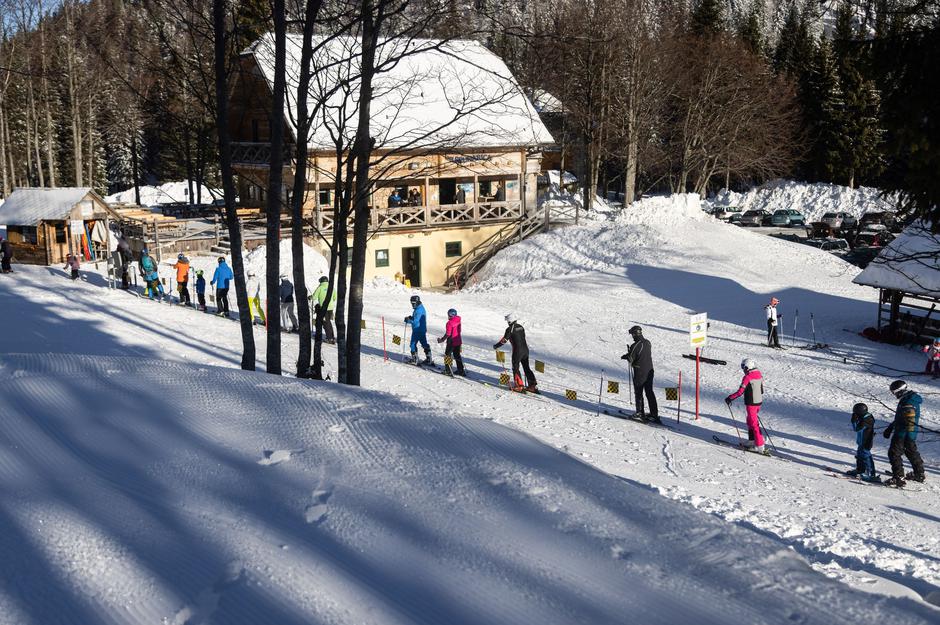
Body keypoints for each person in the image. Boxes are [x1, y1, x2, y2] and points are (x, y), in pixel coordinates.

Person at [884, 380, 926, 487]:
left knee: (894, 453)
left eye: (894, 392)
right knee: (911, 452)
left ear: (900, 391)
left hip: (903, 433)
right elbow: (900, 417)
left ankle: (898, 477)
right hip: (908, 432)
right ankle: (919, 474)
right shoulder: (908, 399)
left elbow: (909, 421)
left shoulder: (908, 402)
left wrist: (906, 435)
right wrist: (890, 427)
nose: (894, 395)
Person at [725, 358, 766, 453]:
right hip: (758, 403)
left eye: (743, 367)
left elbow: (740, 392)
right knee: (750, 421)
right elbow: (761, 390)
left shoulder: (748, 377)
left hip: (751, 403)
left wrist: (730, 398)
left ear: (748, 367)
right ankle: (752, 441)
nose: (743, 369)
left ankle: (759, 446)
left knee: (754, 424)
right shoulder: (759, 374)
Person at [620, 325, 659, 422]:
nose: (632, 336)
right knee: (649, 392)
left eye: (632, 334)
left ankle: (639, 412)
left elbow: (631, 358)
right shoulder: (648, 342)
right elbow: (642, 355)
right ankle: (654, 414)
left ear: (634, 334)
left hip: (640, 372)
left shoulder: (635, 345)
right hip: (650, 371)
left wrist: (626, 356)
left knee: (638, 392)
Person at [494, 313, 538, 392]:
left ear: (510, 321)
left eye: (507, 321)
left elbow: (504, 340)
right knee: (526, 367)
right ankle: (532, 385)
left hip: (517, 351)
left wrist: (497, 346)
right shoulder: (521, 327)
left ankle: (519, 385)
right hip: (525, 350)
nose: (507, 323)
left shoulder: (509, 329)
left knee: (515, 368)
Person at [847, 403, 879, 481]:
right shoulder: (863, 417)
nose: (855, 414)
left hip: (866, 442)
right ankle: (860, 470)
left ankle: (871, 474)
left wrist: (854, 421)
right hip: (861, 441)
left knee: (866, 456)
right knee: (860, 456)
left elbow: (857, 429)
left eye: (856, 413)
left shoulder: (867, 419)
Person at [405, 295, 432, 365]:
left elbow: (416, 321)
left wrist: (409, 320)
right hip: (422, 329)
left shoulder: (418, 310)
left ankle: (414, 359)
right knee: (424, 343)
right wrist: (411, 317)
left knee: (412, 344)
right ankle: (429, 359)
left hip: (417, 330)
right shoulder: (420, 308)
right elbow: (417, 318)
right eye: (411, 303)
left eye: (413, 303)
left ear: (417, 302)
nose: (412, 304)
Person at [438, 308, 465, 376]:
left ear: (450, 315)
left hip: (451, 341)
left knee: (447, 355)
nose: (448, 316)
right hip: (458, 340)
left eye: (448, 314)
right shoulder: (458, 320)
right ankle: (461, 370)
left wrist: (442, 340)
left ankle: (448, 370)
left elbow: (448, 334)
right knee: (457, 355)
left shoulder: (449, 323)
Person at [310, 276, 337, 344]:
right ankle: (332, 337)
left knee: (325, 323)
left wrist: (310, 297)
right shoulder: (331, 287)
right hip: (330, 308)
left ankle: (329, 338)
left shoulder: (320, 288)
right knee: (328, 322)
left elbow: (314, 297)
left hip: (323, 308)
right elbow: (335, 297)